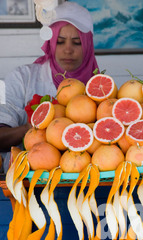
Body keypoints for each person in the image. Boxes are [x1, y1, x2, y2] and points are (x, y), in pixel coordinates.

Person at [0, 2, 98, 173]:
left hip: (84, 181)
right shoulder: (22, 78)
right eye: (60, 42)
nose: (68, 50)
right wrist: (31, 127)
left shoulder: (100, 86)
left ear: (88, 46)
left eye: (77, 42)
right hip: (25, 184)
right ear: (51, 43)